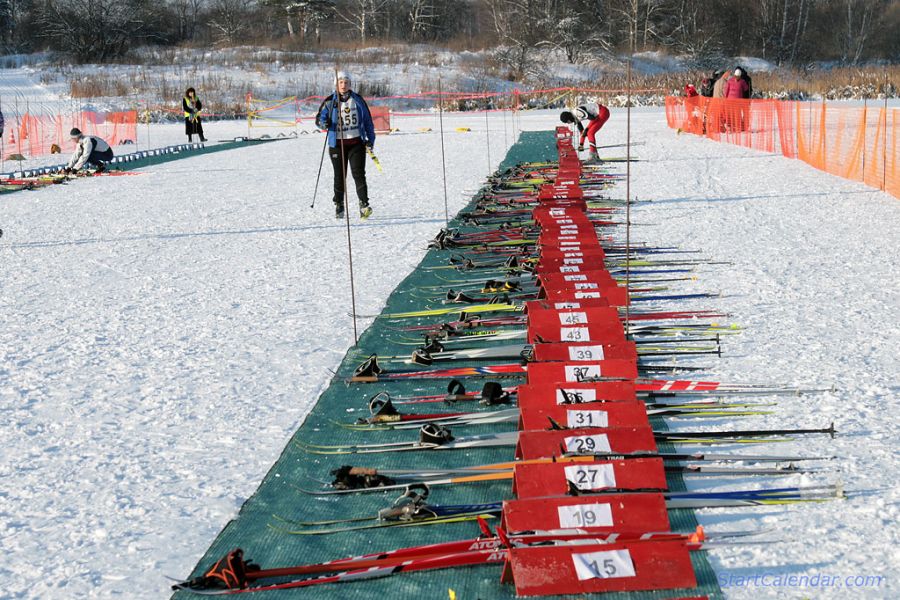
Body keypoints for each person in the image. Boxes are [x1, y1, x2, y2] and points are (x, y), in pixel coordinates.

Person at [316, 71, 376, 219]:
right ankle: (339, 204)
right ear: (336, 84)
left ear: (350, 84)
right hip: (337, 144)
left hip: (356, 143)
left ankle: (364, 205)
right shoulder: (330, 101)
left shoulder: (358, 100)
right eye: (340, 82)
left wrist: (370, 140)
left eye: (346, 82)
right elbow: (319, 119)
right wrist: (325, 123)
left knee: (359, 175)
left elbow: (368, 121)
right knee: (340, 175)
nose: (343, 85)